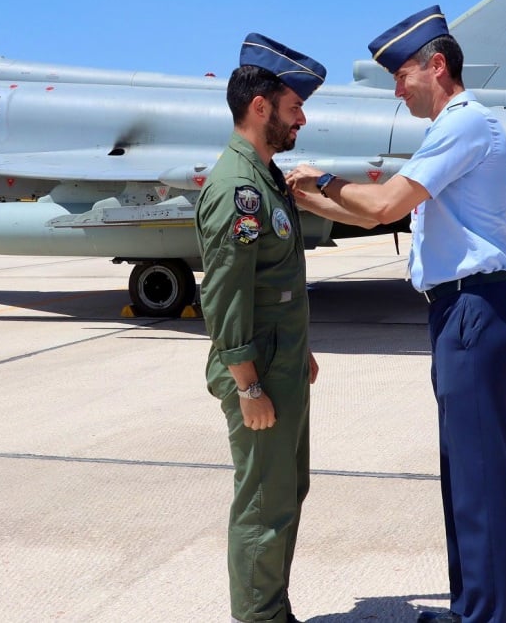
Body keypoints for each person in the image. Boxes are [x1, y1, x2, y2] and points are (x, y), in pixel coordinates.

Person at [286, 6, 506, 623]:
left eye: (401, 75)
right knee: (465, 476)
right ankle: (475, 606)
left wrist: (328, 178)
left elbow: (387, 200)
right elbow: (377, 214)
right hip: (461, 312)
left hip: (473, 309)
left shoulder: (464, 124)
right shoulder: (452, 130)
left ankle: (490, 617)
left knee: (478, 479)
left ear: (437, 66)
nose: (395, 88)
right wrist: (314, 197)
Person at [194, 33, 326, 623]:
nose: (302, 118)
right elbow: (223, 296)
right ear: (261, 107)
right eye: (295, 107)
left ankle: (271, 610)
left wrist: (303, 352)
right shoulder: (237, 191)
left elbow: (276, 285)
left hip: (282, 363)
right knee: (263, 506)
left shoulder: (266, 180)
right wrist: (247, 384)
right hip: (259, 374)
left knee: (284, 494)